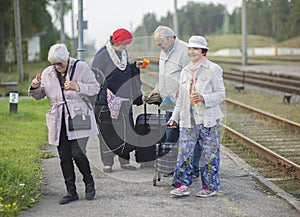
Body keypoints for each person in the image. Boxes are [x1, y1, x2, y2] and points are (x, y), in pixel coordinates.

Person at [29, 43, 100, 204]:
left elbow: (96, 88)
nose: (56, 67)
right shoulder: (48, 73)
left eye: (59, 63)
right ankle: (71, 192)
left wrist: (77, 86)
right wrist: (35, 87)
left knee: (78, 154)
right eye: (53, 63)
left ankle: (89, 183)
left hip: (79, 118)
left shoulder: (81, 67)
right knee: (64, 157)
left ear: (66, 59)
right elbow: (40, 95)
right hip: (58, 120)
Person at [168, 35, 225, 197]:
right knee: (184, 152)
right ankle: (182, 185)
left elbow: (221, 94)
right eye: (190, 48)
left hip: (207, 119)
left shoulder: (214, 69)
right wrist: (174, 117)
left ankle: (209, 187)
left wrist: (204, 98)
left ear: (203, 51)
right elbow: (181, 98)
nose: (191, 51)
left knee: (209, 154)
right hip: (188, 120)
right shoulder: (185, 71)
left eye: (195, 48)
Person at [92, 28, 143, 173]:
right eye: (124, 44)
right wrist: (104, 89)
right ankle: (108, 162)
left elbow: (124, 69)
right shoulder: (102, 55)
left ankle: (124, 161)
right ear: (117, 41)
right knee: (107, 131)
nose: (125, 47)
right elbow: (95, 75)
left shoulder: (123, 53)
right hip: (107, 99)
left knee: (126, 130)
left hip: (125, 98)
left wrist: (134, 67)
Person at [144, 25, 189, 168]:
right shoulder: (165, 51)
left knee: (184, 135)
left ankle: (187, 168)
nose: (159, 47)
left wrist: (180, 89)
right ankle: (171, 166)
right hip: (169, 102)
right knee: (171, 132)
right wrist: (157, 89)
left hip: (183, 102)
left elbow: (190, 75)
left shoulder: (185, 50)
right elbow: (164, 75)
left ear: (168, 38)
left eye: (160, 43)